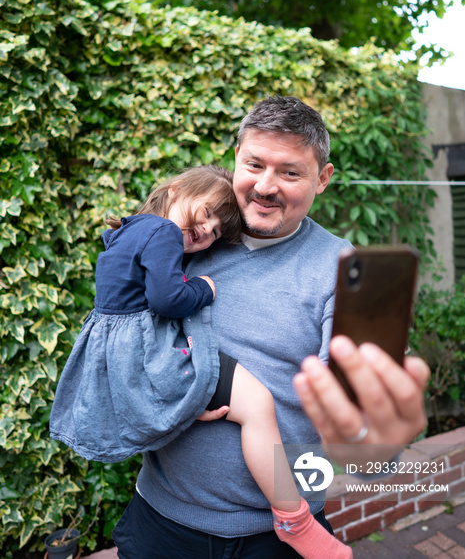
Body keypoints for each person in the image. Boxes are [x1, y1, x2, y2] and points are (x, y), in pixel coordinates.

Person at [111, 96, 429, 559]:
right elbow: (119, 338)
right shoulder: (188, 238)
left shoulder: (339, 268)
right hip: (161, 524)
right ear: (234, 159)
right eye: (254, 164)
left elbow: (358, 420)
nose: (265, 186)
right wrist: (172, 394)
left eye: (290, 172)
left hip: (276, 538)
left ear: (323, 179)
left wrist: (373, 440)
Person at [49, 164, 350, 559]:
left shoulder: (128, 230)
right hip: (154, 354)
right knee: (257, 406)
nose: (206, 231)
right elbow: (165, 299)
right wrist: (202, 289)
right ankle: (293, 519)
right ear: (174, 191)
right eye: (206, 213)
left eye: (215, 233)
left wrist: (184, 404)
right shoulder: (163, 234)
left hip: (128, 353)